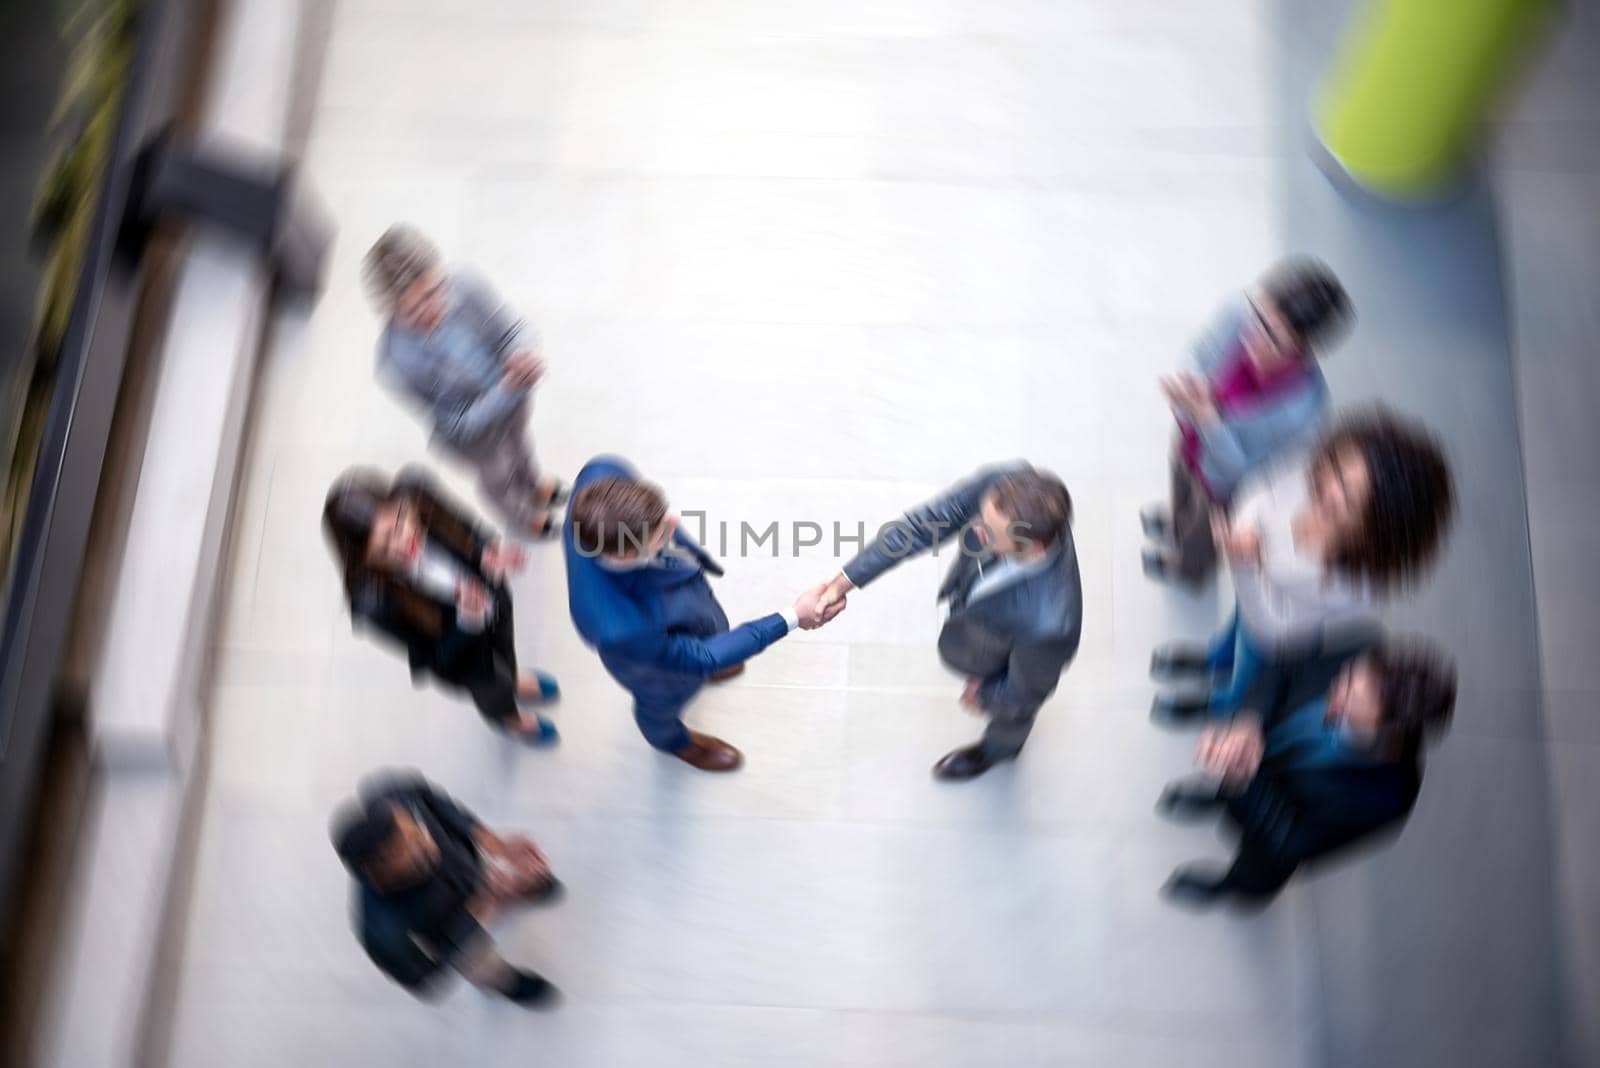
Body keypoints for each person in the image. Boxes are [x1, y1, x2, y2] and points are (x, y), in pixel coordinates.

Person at [1151, 407, 1454, 724]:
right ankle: (1213, 662)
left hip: (1269, 627)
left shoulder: (1351, 587)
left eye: (1349, 499)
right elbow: (1261, 487)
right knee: (1232, 636)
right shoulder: (1319, 470)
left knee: (1245, 684)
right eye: (1335, 470)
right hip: (1253, 593)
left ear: (1377, 530)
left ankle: (1212, 705)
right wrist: (1245, 532)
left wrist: (1246, 565)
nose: (1326, 488)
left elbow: (1273, 629)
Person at [563, 456, 844, 772]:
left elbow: (660, 522)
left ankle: (716, 646)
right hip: (654, 663)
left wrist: (688, 555)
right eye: (662, 533)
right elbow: (701, 658)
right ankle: (675, 743)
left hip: (684, 598)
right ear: (626, 554)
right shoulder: (620, 627)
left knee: (713, 628)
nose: (676, 522)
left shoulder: (600, 475)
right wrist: (794, 616)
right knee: (661, 703)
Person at [814, 462, 1082, 781]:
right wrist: (844, 582)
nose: (975, 530)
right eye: (981, 518)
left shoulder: (1051, 623)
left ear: (1031, 546)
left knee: (1014, 715)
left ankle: (998, 751)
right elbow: (922, 525)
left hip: (997, 655)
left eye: (989, 533)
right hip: (977, 618)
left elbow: (1026, 691)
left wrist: (985, 696)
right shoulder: (1004, 487)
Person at [1157, 637, 1455, 906]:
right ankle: (1217, 799)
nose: (1336, 687)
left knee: (1253, 874)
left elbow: (1290, 843)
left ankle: (1229, 888)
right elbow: (1284, 668)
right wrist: (1248, 722)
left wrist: (1241, 776)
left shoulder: (1386, 798)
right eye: (1349, 675)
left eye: (1352, 697)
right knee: (1226, 794)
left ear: (1386, 730)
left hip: (1265, 836)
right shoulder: (1361, 647)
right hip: (1260, 753)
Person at [1142, 259, 1351, 587]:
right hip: (1187, 439)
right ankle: (1175, 522)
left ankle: (1185, 569)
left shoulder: (1303, 411)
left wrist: (1209, 419)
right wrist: (1193, 387)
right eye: (1258, 314)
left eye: (1273, 336)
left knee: (1203, 536)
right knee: (1180, 486)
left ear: (1305, 348)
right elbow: (1197, 353)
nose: (1252, 334)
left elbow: (1247, 473)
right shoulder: (1241, 312)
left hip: (1222, 488)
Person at [323, 466, 560, 744]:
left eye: (401, 519)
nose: (405, 539)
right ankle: (509, 719)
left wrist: (487, 551)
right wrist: (466, 621)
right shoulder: (374, 602)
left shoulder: (417, 491)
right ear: (365, 559)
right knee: (492, 688)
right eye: (386, 546)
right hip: (466, 658)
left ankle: (514, 679)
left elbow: (465, 525)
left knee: (505, 649)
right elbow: (436, 660)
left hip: (493, 599)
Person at [362, 224, 565, 538]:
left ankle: (533, 484)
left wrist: (521, 353)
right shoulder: (395, 363)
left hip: (515, 397)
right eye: (413, 310)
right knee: (498, 479)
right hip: (477, 439)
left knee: (521, 444)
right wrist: (504, 391)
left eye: (433, 292)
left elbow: (512, 328)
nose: (431, 309)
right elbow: (452, 424)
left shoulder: (464, 283)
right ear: (389, 310)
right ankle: (523, 518)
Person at [330, 770, 563, 1005]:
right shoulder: (380, 931)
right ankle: (507, 983)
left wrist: (491, 841)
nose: (431, 842)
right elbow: (422, 978)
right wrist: (480, 912)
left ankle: (514, 892)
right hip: (459, 937)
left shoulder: (395, 794)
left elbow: (434, 801)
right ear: (382, 874)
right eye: (417, 851)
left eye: (419, 830)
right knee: (482, 966)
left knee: (496, 876)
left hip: (471, 869)